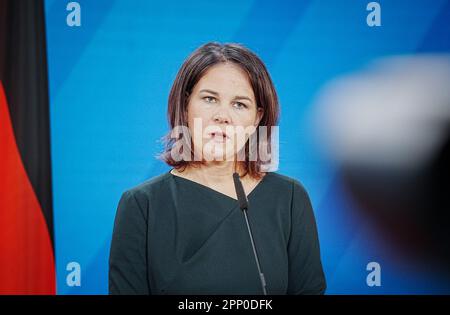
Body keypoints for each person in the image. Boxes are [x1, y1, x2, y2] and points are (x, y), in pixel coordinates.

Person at [109, 42, 326, 295]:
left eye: (239, 104)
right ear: (186, 104)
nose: (223, 116)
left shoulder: (289, 197)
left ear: (257, 118)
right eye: (210, 99)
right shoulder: (141, 204)